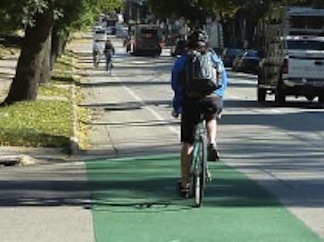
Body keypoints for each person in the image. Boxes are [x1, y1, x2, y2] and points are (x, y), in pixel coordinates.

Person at [171, 29, 228, 196]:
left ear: (188, 44)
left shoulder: (183, 60)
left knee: (187, 142)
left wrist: (177, 106)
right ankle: (212, 142)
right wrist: (218, 100)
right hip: (212, 99)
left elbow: (177, 85)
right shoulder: (214, 58)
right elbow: (223, 81)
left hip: (191, 101)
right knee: (211, 118)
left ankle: (184, 184)